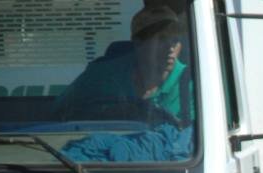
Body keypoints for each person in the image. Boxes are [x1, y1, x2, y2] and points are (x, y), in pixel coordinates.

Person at [53, 5, 194, 124]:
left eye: (175, 40)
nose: (171, 47)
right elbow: (58, 113)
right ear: (139, 43)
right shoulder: (102, 74)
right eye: (162, 39)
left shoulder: (193, 83)